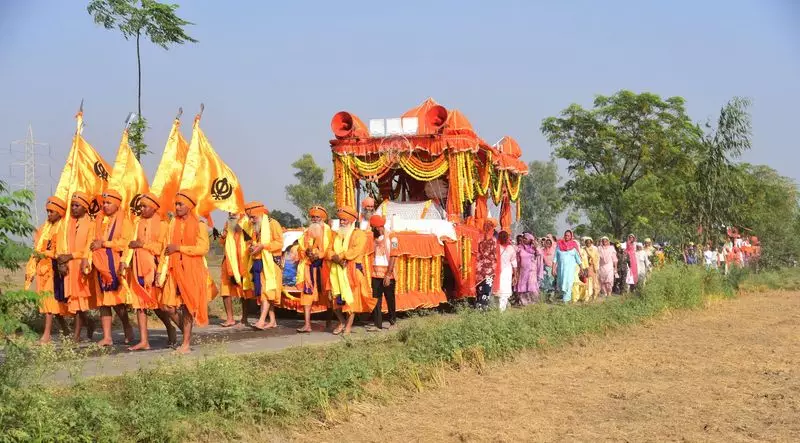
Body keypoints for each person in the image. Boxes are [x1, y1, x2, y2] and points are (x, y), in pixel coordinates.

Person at [159, 189, 210, 354]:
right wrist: (161, 270)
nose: (177, 207)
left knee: (188, 307)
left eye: (180, 204)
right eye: (176, 204)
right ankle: (186, 333)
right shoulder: (172, 223)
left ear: (189, 205)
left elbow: (203, 248)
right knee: (167, 306)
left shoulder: (200, 224)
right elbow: (166, 247)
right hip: (173, 269)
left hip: (192, 270)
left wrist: (179, 248)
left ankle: (186, 344)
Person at [124, 192, 177, 350]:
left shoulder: (163, 225)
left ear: (154, 208)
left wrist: (142, 245)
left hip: (155, 269)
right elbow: (131, 244)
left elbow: (161, 248)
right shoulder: (137, 224)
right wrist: (124, 262)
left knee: (160, 307)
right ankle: (144, 341)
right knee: (140, 305)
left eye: (145, 206)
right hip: (138, 268)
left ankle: (173, 328)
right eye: (141, 206)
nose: (142, 209)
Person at [90, 189, 134, 346]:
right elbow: (92, 241)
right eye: (104, 203)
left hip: (114, 264)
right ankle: (107, 337)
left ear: (117, 204)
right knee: (103, 302)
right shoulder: (99, 220)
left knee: (116, 300)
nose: (105, 206)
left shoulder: (125, 221)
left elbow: (125, 243)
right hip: (99, 264)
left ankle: (127, 325)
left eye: (109, 203)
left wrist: (104, 244)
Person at [27, 196, 71, 343]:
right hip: (42, 270)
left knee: (50, 302)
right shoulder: (43, 229)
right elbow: (37, 247)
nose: (49, 214)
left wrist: (46, 254)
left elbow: (61, 251)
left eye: (52, 211)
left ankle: (46, 335)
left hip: (55, 269)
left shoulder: (64, 230)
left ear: (60, 212)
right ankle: (66, 329)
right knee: (49, 303)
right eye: (48, 211)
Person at [56, 192, 97, 343]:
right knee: (73, 301)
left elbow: (88, 248)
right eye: (72, 205)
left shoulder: (91, 224)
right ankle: (89, 323)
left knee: (79, 300)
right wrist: (62, 263)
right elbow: (61, 245)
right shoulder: (67, 224)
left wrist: (71, 256)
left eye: (77, 205)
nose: (73, 208)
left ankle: (76, 335)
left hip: (82, 266)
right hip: (68, 268)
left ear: (85, 207)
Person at [328, 206, 372, 335]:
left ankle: (348, 326)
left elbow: (354, 251)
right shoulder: (336, 235)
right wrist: (334, 258)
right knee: (334, 300)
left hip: (352, 271)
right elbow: (329, 250)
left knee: (351, 300)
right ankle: (341, 321)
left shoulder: (359, 234)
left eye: (345, 220)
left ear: (352, 220)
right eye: (341, 220)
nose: (342, 222)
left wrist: (339, 257)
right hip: (336, 270)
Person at [244, 201, 283, 331]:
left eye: (253, 217)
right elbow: (250, 242)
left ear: (260, 214)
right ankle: (272, 321)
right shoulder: (254, 226)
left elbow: (279, 243)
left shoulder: (273, 223)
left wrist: (263, 246)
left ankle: (261, 321)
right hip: (257, 263)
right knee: (264, 294)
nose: (251, 220)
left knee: (267, 292)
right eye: (249, 217)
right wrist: (251, 248)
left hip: (271, 264)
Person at [296, 205, 333, 333]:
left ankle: (330, 322)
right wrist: (306, 252)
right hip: (309, 267)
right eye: (313, 217)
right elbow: (300, 248)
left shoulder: (327, 230)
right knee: (307, 294)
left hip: (324, 267)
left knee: (328, 295)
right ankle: (307, 324)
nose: (315, 219)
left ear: (322, 218)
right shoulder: (307, 231)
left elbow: (328, 249)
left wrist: (317, 255)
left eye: (317, 217)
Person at [219, 212, 252, 327]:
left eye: (234, 211)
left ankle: (244, 319)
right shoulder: (227, 223)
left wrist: (240, 230)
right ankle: (230, 318)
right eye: (229, 212)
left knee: (244, 290)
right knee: (225, 290)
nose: (231, 214)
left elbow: (251, 241)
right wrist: (223, 236)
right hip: (228, 261)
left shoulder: (247, 222)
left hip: (243, 260)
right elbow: (222, 243)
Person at [367, 214, 397, 330]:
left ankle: (393, 321)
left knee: (390, 298)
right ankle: (377, 325)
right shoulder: (374, 238)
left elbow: (394, 256)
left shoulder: (393, 237)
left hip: (388, 272)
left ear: (379, 227)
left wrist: (388, 275)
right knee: (376, 299)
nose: (374, 230)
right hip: (375, 272)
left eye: (374, 228)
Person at [553, 230, 583, 304]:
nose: (566, 237)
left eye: (568, 235)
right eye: (565, 235)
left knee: (568, 284)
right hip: (561, 270)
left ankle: (566, 301)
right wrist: (553, 269)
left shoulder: (573, 246)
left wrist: (581, 269)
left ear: (571, 237)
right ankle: (563, 298)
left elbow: (578, 259)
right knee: (561, 284)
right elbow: (555, 258)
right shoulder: (559, 245)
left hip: (569, 271)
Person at [475, 219, 497, 310]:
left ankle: (478, 305)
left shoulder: (478, 238)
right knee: (487, 289)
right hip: (489, 269)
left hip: (479, 268)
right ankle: (484, 306)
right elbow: (495, 255)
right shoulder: (493, 240)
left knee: (480, 287)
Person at [515, 233, 542, 305]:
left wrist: (535, 245)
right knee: (523, 287)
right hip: (522, 271)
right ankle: (524, 303)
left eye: (526, 238)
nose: (524, 239)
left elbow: (539, 253)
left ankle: (533, 302)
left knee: (531, 286)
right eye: (523, 238)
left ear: (530, 240)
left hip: (531, 271)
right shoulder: (519, 248)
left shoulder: (534, 249)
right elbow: (517, 260)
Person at [496, 230, 517, 311]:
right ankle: (501, 310)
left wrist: (515, 275)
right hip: (506, 272)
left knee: (499, 291)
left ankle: (499, 309)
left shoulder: (496, 247)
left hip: (499, 272)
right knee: (504, 292)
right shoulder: (511, 248)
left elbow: (514, 262)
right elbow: (514, 263)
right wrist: (515, 275)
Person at [540, 236, 556, 301]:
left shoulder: (554, 251)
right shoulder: (542, 250)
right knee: (545, 282)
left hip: (552, 268)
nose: (548, 244)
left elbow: (556, 260)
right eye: (547, 243)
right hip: (545, 269)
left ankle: (551, 297)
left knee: (551, 282)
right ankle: (546, 297)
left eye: (549, 243)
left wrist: (554, 269)